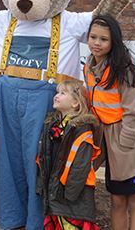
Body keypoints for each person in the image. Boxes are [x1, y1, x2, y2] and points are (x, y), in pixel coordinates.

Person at [84, 15, 135, 230]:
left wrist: (125, 145)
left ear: (113, 43)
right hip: (114, 143)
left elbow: (132, 112)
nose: (97, 43)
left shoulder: (123, 71)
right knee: (117, 200)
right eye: (93, 37)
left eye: (103, 39)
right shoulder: (88, 69)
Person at [36, 80, 101, 230]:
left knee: (70, 226)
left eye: (63, 93)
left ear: (75, 103)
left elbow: (80, 166)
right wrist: (42, 185)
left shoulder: (82, 130)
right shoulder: (52, 126)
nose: (56, 96)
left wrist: (69, 194)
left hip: (72, 196)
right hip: (55, 193)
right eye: (57, 92)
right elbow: (43, 158)